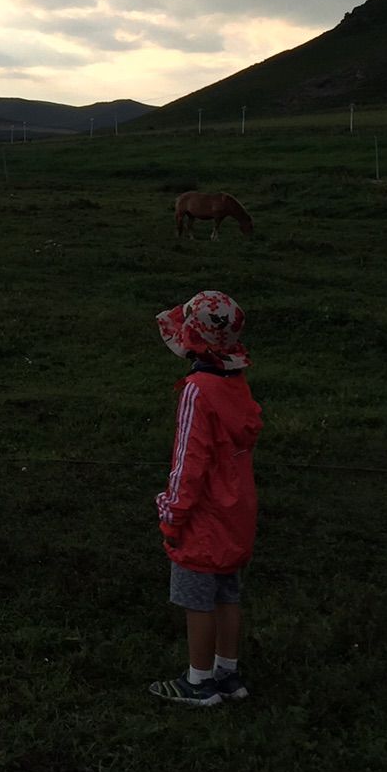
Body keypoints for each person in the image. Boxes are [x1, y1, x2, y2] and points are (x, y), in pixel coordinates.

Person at [147, 290, 262, 707]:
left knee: (197, 599)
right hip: (238, 511)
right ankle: (228, 674)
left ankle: (198, 683)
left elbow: (188, 461)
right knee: (227, 594)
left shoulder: (197, 390)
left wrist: (172, 514)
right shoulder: (237, 386)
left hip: (204, 514)